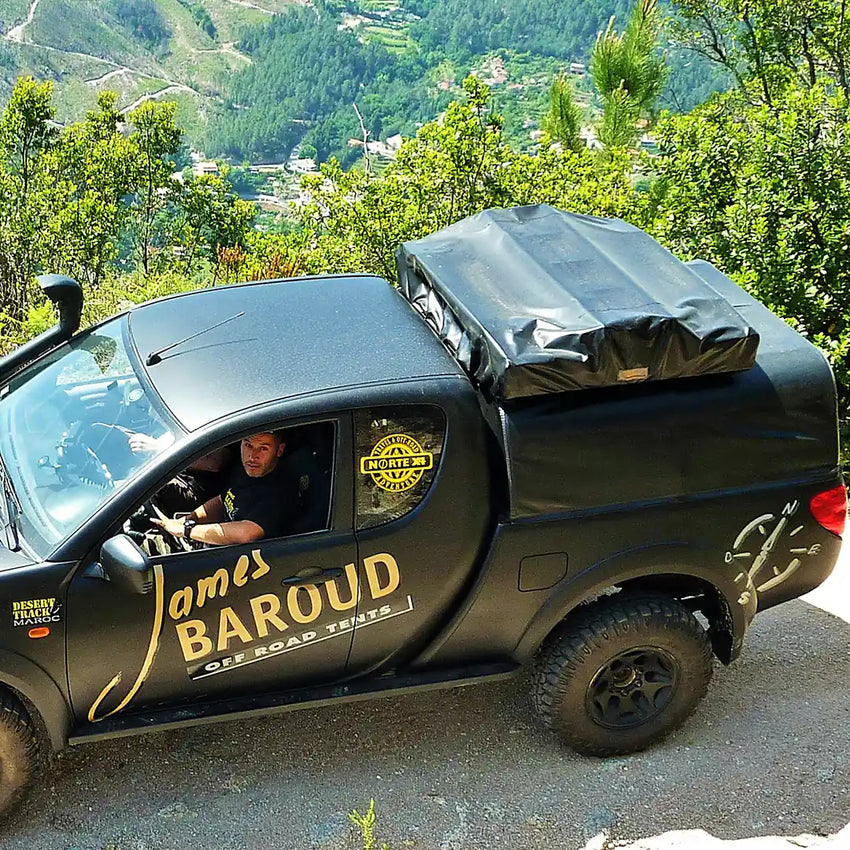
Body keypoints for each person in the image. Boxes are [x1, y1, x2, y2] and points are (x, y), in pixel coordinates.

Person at [148, 431, 298, 549]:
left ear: (279, 450)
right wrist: (189, 520)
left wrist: (187, 531)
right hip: (215, 547)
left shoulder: (280, 492)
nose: (253, 455)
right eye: (248, 445)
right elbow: (223, 499)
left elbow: (246, 533)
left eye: (263, 448)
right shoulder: (245, 468)